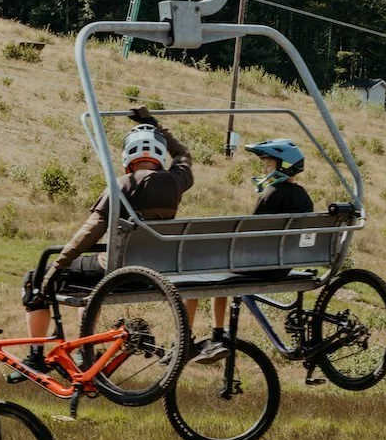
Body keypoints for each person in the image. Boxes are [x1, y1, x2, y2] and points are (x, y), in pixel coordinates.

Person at [20, 107, 192, 370]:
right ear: (158, 153)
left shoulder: (121, 186)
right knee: (88, 281)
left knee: (34, 278)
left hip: (116, 271)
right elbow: (183, 155)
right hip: (156, 272)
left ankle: (37, 356)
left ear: (127, 156)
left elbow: (91, 231)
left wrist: (58, 265)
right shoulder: (176, 182)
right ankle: (83, 347)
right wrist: (157, 127)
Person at [191, 136, 314, 364]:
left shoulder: (271, 194)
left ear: (283, 166)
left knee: (212, 273)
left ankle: (213, 335)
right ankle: (217, 334)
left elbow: (252, 233)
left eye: (269, 165)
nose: (265, 169)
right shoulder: (304, 196)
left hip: (262, 266)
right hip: (284, 266)